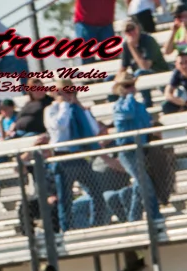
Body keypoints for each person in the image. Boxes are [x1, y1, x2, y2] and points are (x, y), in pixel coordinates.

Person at [44, 79, 109, 231]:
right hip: (63, 156)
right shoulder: (51, 110)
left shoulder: (78, 110)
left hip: (80, 156)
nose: (67, 95)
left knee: (96, 192)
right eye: (63, 92)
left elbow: (94, 130)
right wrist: (64, 105)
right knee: (65, 197)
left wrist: (83, 110)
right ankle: (67, 228)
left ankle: (97, 224)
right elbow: (59, 125)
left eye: (70, 91)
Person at [111, 71, 159, 222]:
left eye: (132, 85)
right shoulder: (118, 107)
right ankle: (153, 215)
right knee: (144, 182)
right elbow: (128, 113)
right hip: (128, 149)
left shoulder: (140, 106)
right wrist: (129, 96)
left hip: (141, 149)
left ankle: (134, 218)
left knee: (141, 184)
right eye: (127, 86)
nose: (131, 88)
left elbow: (147, 124)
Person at [121, 19, 170, 107]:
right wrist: (118, 78)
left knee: (140, 73)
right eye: (128, 31)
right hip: (137, 75)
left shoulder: (148, 40)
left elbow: (145, 67)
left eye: (132, 29)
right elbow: (123, 67)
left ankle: (147, 104)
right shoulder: (126, 44)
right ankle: (120, 106)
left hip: (158, 72)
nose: (131, 32)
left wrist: (132, 47)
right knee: (110, 79)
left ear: (138, 28)